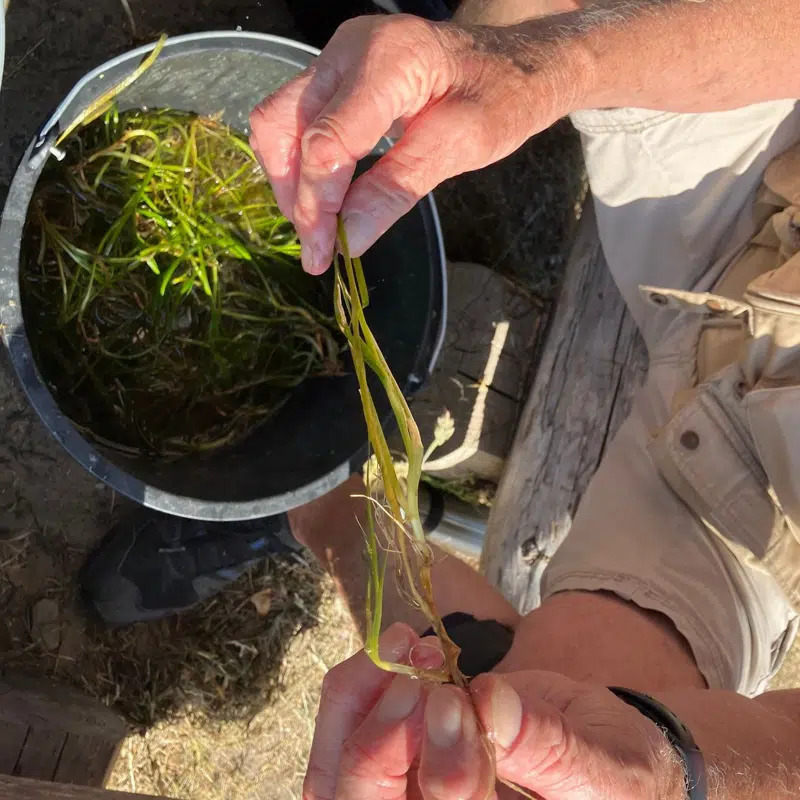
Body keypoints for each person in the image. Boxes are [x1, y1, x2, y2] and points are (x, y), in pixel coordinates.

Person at [248, 0, 800, 797]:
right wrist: (535, 63)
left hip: (738, 475)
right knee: (532, 13)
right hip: (768, 180)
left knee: (536, 709)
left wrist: (666, 766)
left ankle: (296, 503)